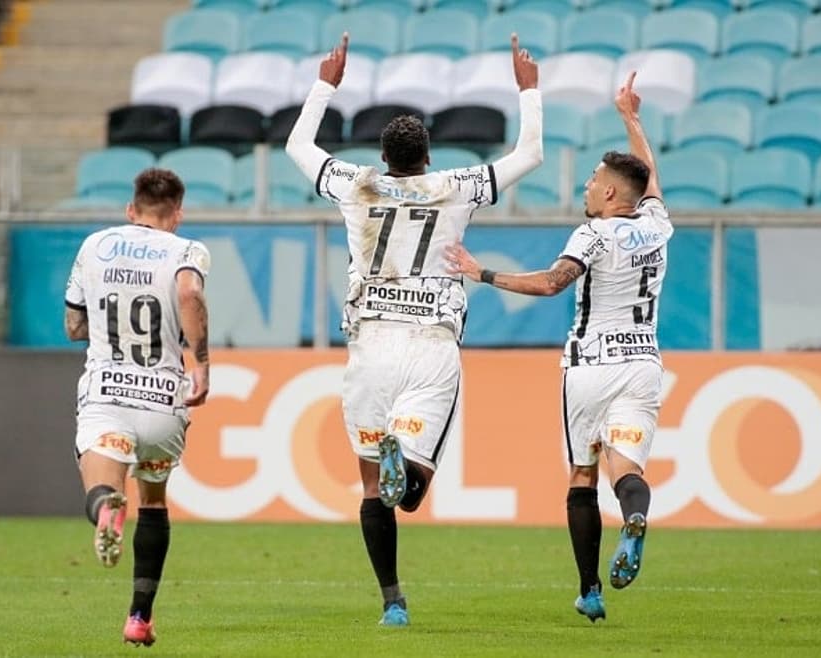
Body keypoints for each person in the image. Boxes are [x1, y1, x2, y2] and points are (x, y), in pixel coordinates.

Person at [286, 33, 543, 626]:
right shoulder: (455, 187)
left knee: (373, 489)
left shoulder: (356, 184)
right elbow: (528, 155)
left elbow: (299, 143)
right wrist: (528, 91)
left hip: (369, 343)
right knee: (413, 492)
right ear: (428, 156)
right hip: (429, 342)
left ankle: (392, 602)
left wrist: (327, 81)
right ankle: (410, 466)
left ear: (383, 156)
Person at [447, 72, 670, 624]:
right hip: (642, 363)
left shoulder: (590, 235)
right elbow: (654, 184)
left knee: (582, 475)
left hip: (590, 366)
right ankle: (635, 517)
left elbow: (552, 283)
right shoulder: (657, 225)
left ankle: (590, 588)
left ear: (612, 194)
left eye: (595, 180)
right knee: (625, 470)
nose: (588, 187)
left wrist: (483, 273)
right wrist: (631, 118)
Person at [64, 168, 211, 646]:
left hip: (107, 394)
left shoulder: (95, 246)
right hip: (162, 403)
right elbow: (189, 293)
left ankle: (106, 508)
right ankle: (139, 617)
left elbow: (73, 325)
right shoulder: (187, 250)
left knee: (104, 487)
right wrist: (202, 361)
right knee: (153, 502)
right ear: (177, 214)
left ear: (131, 210)